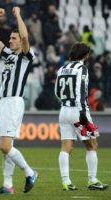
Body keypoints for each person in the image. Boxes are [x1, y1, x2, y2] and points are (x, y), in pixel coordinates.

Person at [0, 7, 38, 195]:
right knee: (6, 146)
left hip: (14, 102)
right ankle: (8, 185)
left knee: (5, 145)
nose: (10, 40)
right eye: (10, 38)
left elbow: (25, 38)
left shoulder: (25, 56)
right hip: (4, 102)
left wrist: (17, 15)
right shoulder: (8, 54)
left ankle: (30, 172)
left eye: (13, 38)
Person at [54, 42, 108, 191]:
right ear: (85, 55)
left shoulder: (62, 68)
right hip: (78, 111)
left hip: (64, 111)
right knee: (92, 145)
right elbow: (81, 91)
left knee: (66, 147)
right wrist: (83, 113)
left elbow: (57, 92)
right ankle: (92, 180)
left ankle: (66, 181)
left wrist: (66, 101)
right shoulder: (82, 68)